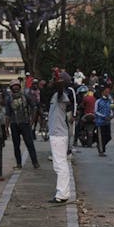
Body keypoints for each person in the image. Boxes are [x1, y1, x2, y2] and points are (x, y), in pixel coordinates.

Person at [48, 73, 74, 203]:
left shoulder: (61, 95)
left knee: (60, 165)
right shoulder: (56, 95)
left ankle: (62, 194)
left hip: (58, 134)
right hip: (57, 133)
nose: (51, 81)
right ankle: (63, 192)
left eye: (54, 80)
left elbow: (59, 87)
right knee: (59, 164)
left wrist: (58, 79)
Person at [7, 80, 40, 169]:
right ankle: (18, 163)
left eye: (17, 86)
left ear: (19, 87)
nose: (15, 88)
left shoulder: (25, 96)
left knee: (29, 143)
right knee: (16, 145)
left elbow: (34, 107)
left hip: (25, 123)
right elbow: (8, 114)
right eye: (13, 86)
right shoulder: (9, 99)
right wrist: (6, 127)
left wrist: (32, 120)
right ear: (11, 88)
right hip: (14, 124)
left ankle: (35, 162)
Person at [94, 85, 113, 156]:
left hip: (107, 122)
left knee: (108, 137)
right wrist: (103, 116)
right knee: (101, 137)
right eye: (106, 91)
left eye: (108, 92)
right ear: (102, 92)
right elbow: (95, 111)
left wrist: (111, 115)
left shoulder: (109, 101)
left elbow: (111, 109)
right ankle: (101, 151)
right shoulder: (98, 101)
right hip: (100, 122)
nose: (107, 93)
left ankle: (100, 145)